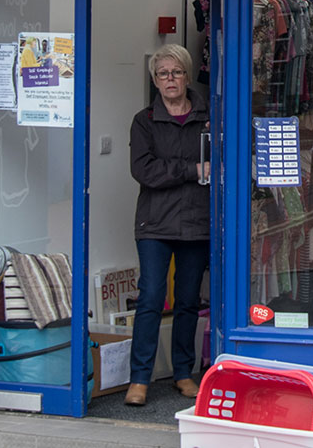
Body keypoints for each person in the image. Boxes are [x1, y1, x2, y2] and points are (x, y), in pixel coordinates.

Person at [125, 44, 211, 407]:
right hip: (155, 223)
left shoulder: (209, 117)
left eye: (176, 72)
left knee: (188, 301)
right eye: (162, 74)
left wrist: (179, 173)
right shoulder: (144, 121)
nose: (170, 80)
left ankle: (182, 373)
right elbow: (144, 171)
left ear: (187, 75)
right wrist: (191, 171)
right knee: (150, 299)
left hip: (196, 220)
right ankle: (139, 379)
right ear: (155, 81)